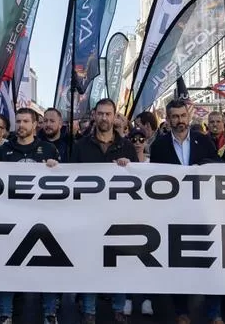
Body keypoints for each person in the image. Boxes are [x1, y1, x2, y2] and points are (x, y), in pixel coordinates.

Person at [149, 99, 224, 324]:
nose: (179, 121)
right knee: (178, 263)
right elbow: (155, 178)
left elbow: (216, 166)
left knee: (210, 261)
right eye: (174, 117)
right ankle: (182, 312)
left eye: (183, 116)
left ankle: (215, 313)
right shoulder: (159, 145)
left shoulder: (203, 140)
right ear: (168, 118)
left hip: (202, 211)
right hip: (174, 213)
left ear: (188, 117)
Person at [0, 108, 61, 324]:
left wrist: (56, 168)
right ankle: (5, 312)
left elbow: (63, 183)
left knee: (47, 266)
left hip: (43, 219)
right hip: (12, 218)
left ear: (35, 124)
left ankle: (49, 312)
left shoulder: (49, 148)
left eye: (26, 121)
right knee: (9, 265)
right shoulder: (5, 150)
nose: (21, 125)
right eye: (18, 121)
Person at [72, 98, 136, 323]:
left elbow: (136, 180)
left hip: (117, 215)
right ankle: (89, 310)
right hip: (89, 216)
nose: (104, 118)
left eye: (108, 114)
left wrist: (129, 166)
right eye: (100, 114)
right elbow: (70, 180)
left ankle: (119, 308)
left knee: (118, 263)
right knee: (90, 263)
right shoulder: (81, 146)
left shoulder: (126, 146)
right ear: (94, 115)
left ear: (115, 116)